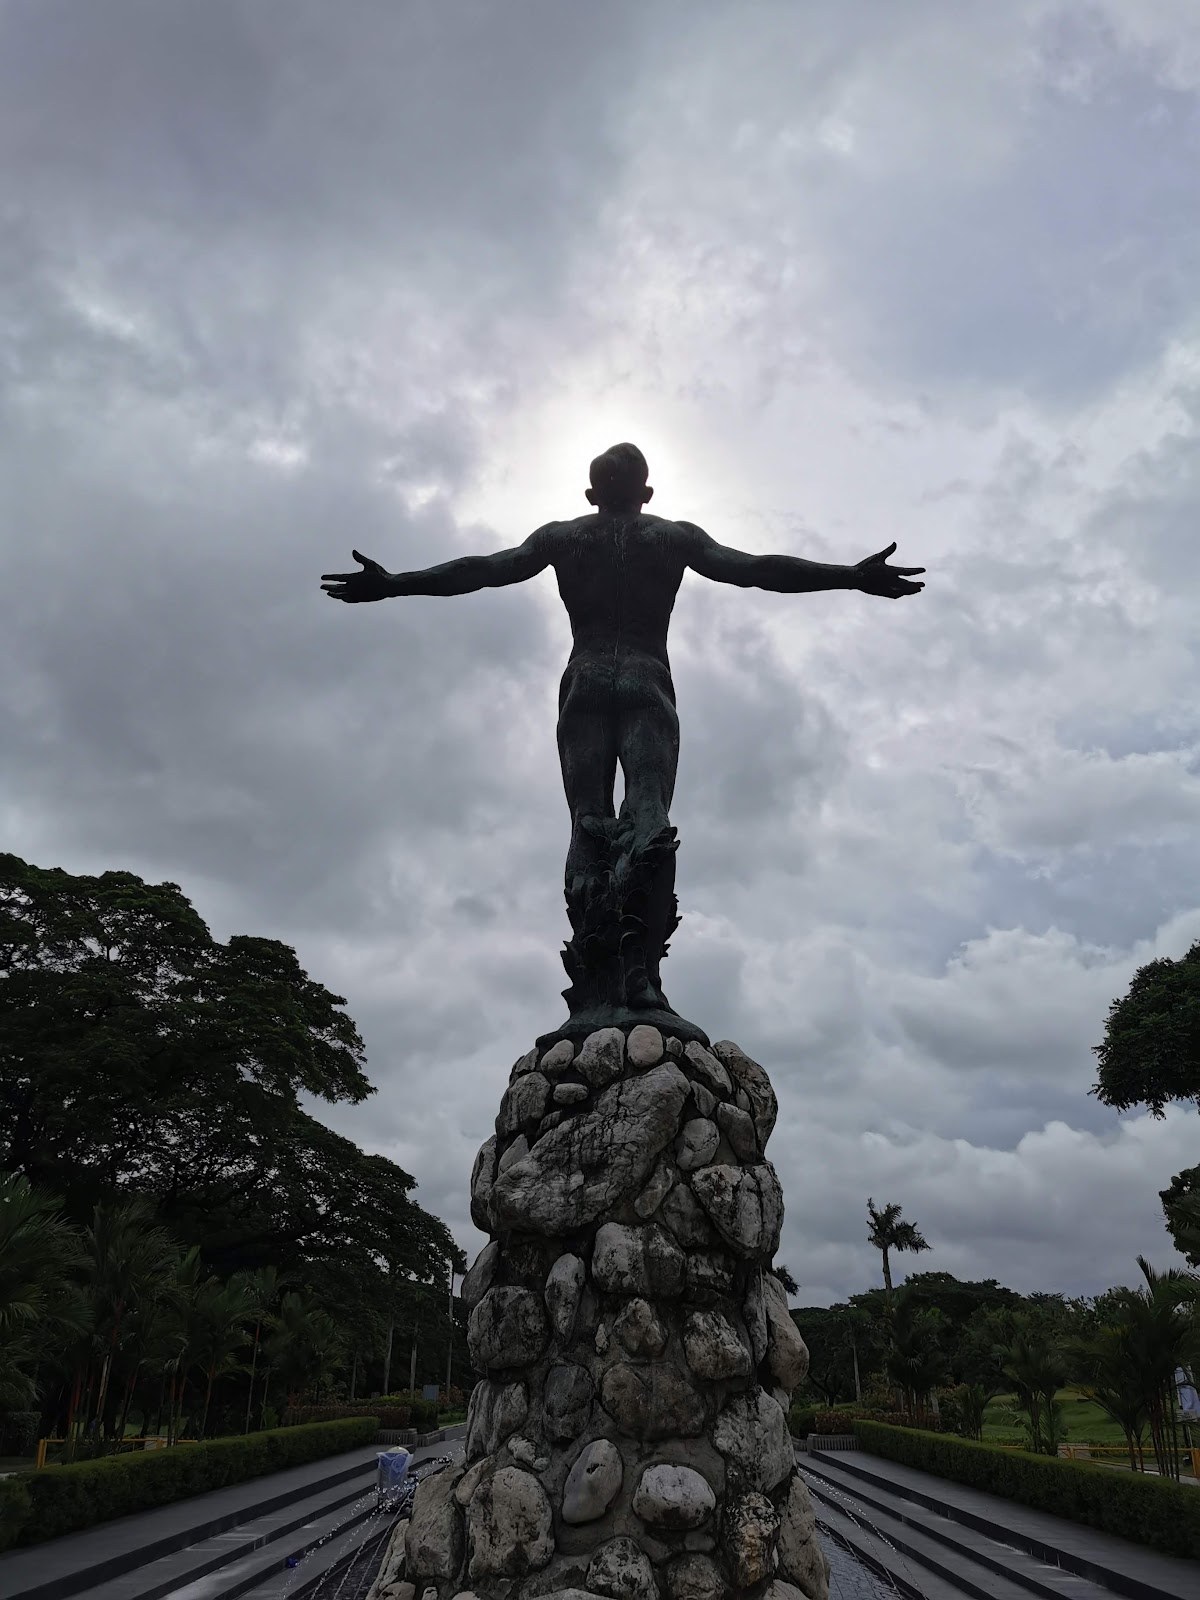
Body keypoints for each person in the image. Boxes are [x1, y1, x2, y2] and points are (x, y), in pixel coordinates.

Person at [322, 443, 924, 1022]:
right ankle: (636, 974)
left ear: (590, 494)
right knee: (646, 817)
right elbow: (757, 571)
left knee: (588, 819)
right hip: (645, 681)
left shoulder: (561, 538)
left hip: (585, 682)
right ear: (647, 494)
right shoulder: (673, 537)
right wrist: (850, 575)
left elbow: (483, 570)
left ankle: (596, 976)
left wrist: (396, 582)